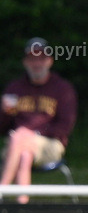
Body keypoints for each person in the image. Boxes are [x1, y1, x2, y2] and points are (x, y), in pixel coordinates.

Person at [0, 38, 78, 204]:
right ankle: (22, 205)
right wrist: (5, 113)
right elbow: (2, 128)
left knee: (20, 138)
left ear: (49, 61)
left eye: (41, 58)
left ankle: (2, 189)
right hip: (15, 146)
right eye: (32, 59)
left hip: (50, 145)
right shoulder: (14, 88)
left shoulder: (62, 89)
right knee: (24, 154)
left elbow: (64, 127)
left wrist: (33, 134)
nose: (36, 63)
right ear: (25, 62)